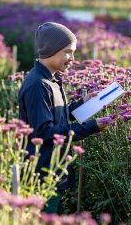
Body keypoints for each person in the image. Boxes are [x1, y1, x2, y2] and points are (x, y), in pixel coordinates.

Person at [18, 22, 108, 214]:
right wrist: (93, 127)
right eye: (68, 52)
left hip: (53, 170)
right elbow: (43, 132)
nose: (72, 59)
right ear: (51, 49)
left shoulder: (52, 79)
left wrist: (82, 103)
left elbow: (57, 115)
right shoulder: (38, 85)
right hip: (42, 174)